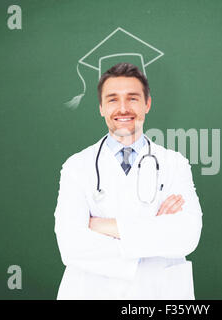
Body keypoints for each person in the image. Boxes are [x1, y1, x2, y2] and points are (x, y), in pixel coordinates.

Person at [53, 63, 203, 299]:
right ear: (101, 108)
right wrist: (154, 229)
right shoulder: (76, 166)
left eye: (132, 98)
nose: (123, 108)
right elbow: (71, 245)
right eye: (112, 99)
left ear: (147, 104)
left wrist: (101, 226)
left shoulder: (175, 163)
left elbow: (187, 236)